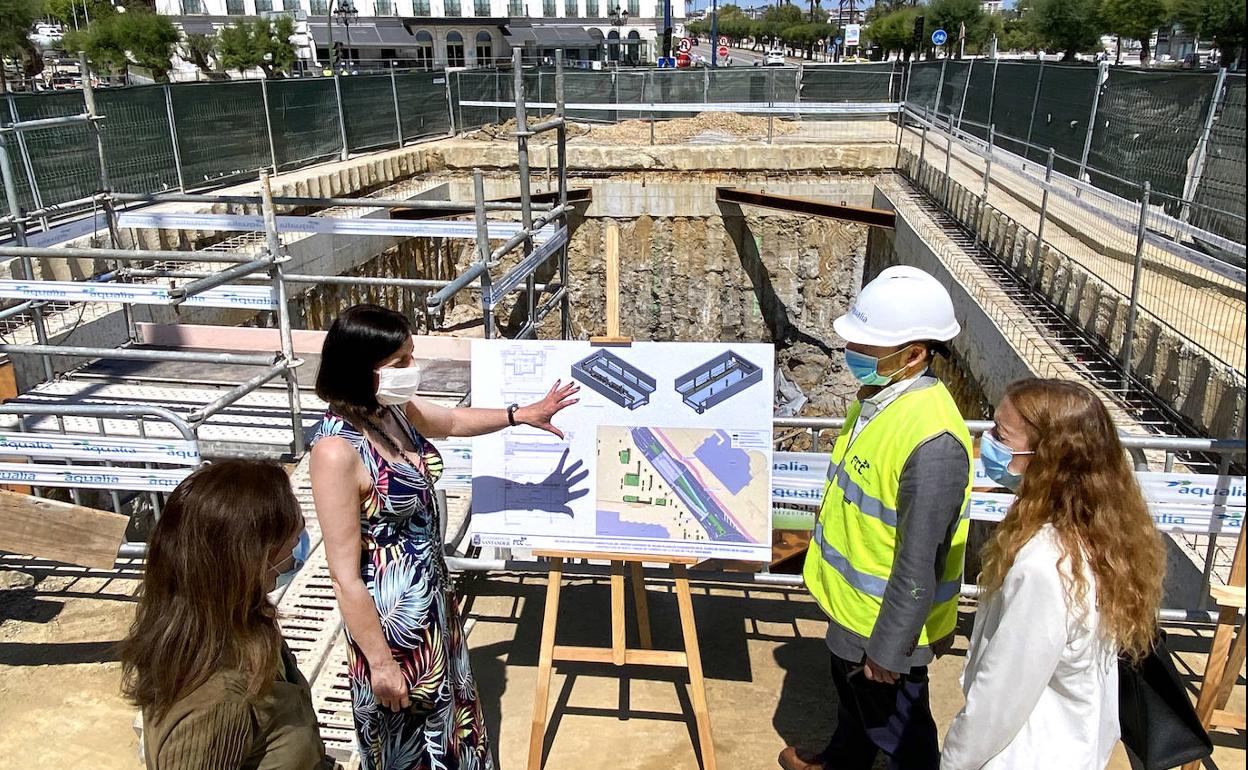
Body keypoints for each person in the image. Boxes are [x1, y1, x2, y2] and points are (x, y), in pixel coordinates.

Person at [309, 304, 577, 770]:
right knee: (412, 749)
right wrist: (381, 664)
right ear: (360, 369)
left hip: (434, 611)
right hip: (392, 633)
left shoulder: (392, 411)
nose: (412, 370)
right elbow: (344, 577)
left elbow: (451, 423)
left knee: (454, 735)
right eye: (400, 363)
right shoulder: (336, 451)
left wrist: (521, 414)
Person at [780, 265, 972, 770]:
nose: (854, 356)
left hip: (883, 627)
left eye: (866, 348)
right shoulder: (880, 400)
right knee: (856, 707)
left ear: (912, 356)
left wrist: (889, 649)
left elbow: (919, 560)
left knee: (901, 732)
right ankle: (841, 761)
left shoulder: (932, 444)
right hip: (854, 609)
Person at [942, 379, 1165, 770]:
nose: (988, 442)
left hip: (1027, 753)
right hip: (1071, 744)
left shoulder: (1045, 565)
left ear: (1047, 457)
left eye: (1001, 434)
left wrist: (954, 760)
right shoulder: (1100, 535)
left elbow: (1000, 698)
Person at [120, 460, 330, 770]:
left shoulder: (244, 623)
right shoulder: (217, 701)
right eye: (294, 535)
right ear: (252, 559)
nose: (301, 541)